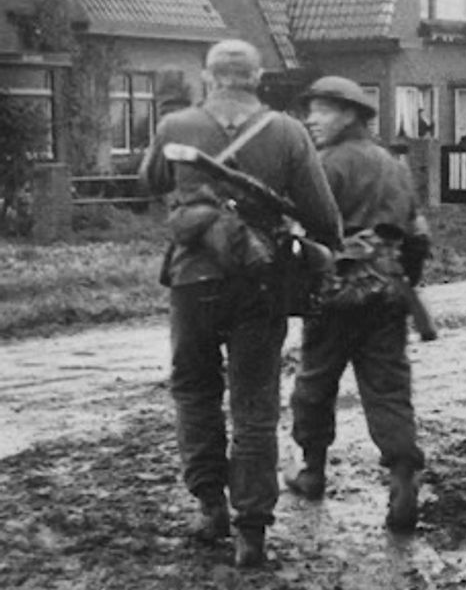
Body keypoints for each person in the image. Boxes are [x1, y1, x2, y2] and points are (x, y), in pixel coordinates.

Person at [140, 40, 342, 567]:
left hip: (192, 279)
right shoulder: (288, 132)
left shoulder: (177, 125)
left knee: (195, 391)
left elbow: (150, 182)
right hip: (261, 282)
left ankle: (211, 507)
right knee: (254, 404)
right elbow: (324, 217)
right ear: (258, 78)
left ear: (209, 77)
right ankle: (251, 531)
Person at [285, 76, 431, 533]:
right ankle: (403, 478)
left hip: (335, 291)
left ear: (350, 114)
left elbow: (302, 234)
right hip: (388, 291)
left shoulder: (324, 165)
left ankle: (311, 471)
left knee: (314, 382)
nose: (310, 119)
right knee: (388, 389)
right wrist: (402, 284)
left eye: (321, 110)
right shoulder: (395, 166)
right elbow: (418, 237)